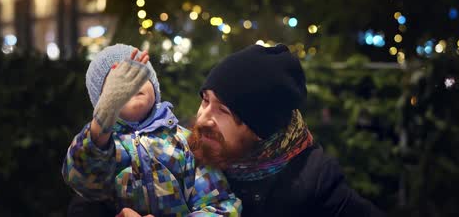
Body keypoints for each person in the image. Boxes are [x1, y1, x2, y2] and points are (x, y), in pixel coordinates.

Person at [187, 43, 385, 217]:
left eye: (223, 110)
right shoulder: (181, 154)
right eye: (205, 100)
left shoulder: (313, 186)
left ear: (259, 129)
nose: (203, 118)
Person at [62, 44, 241, 217]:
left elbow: (220, 205)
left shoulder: (185, 142)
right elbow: (84, 182)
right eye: (118, 81)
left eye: (139, 75)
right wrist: (102, 119)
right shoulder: (102, 146)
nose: (131, 84)